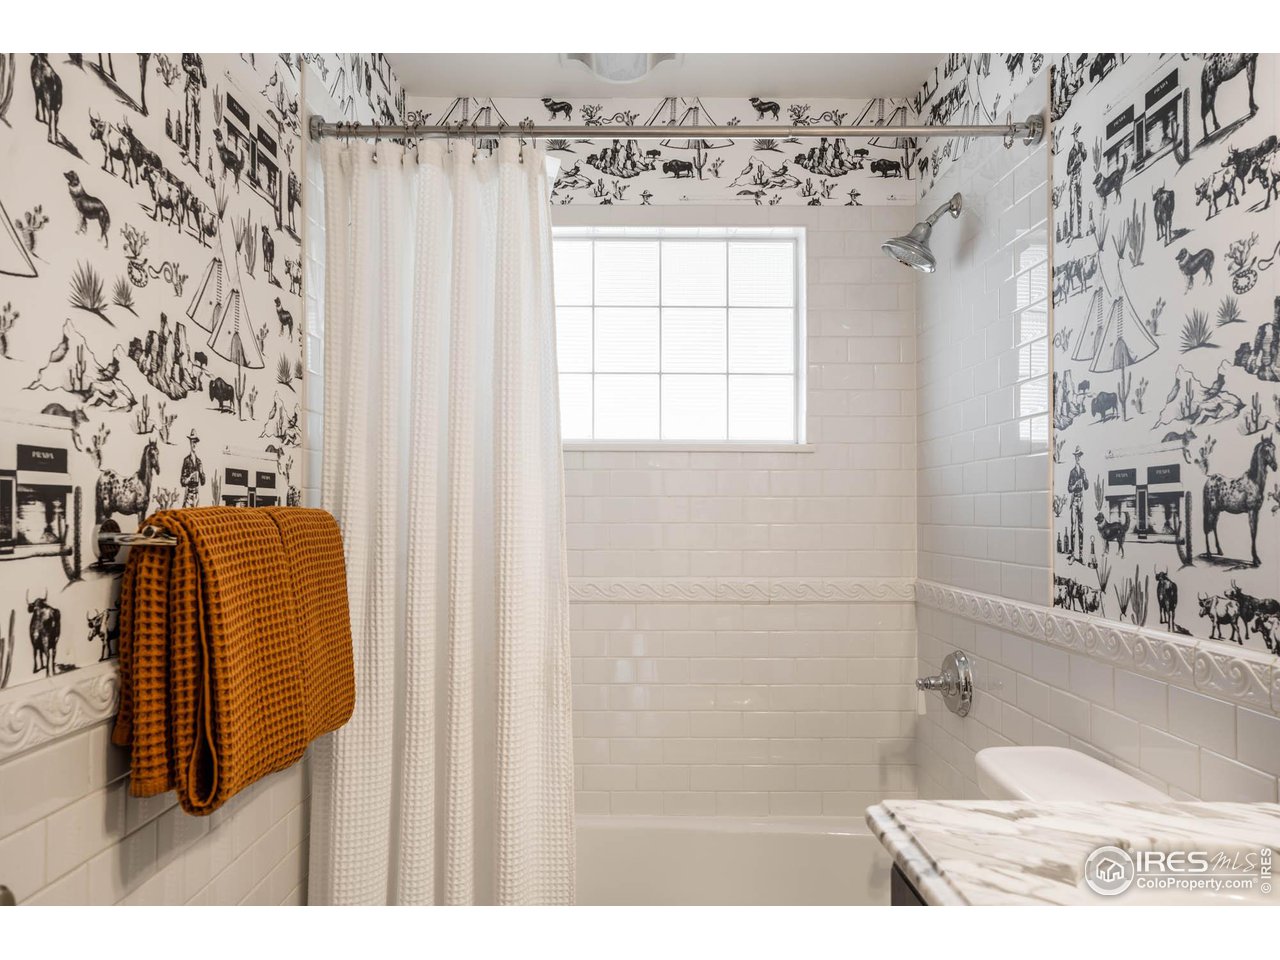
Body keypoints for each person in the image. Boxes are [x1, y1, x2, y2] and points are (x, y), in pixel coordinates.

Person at [182, 53, 207, 168]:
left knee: (198, 126)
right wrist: (191, 68)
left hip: (198, 90)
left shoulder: (200, 59)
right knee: (188, 120)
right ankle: (187, 153)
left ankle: (197, 159)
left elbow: (204, 82)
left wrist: (203, 75)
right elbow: (184, 64)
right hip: (190, 87)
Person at [1067, 445, 1089, 563]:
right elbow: (1069, 488)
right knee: (1073, 527)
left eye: (1079, 456)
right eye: (1077, 456)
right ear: (1075, 457)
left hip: (1081, 500)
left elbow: (1087, 487)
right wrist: (1075, 484)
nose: (1078, 458)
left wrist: (1084, 479)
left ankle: (1081, 555)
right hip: (1074, 499)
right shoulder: (1072, 472)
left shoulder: (1083, 471)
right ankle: (1072, 555)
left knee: (1081, 527)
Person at [1066, 124, 1086, 240]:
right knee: (1072, 205)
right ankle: (1071, 232)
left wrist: (1082, 152)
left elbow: (1085, 156)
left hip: (1080, 177)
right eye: (1075, 133)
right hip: (1073, 178)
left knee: (1080, 202)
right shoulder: (1071, 152)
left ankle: (1079, 231)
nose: (1077, 134)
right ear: (1073, 135)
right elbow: (1068, 170)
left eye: (1078, 132)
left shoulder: (1081, 146)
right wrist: (1074, 164)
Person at [180, 428, 206, 508]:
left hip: (196, 495)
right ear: (190, 443)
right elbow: (182, 481)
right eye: (192, 442)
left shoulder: (199, 462)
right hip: (189, 495)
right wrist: (189, 478)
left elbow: (203, 482)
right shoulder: (186, 460)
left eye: (195, 442)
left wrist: (201, 473)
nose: (194, 444)